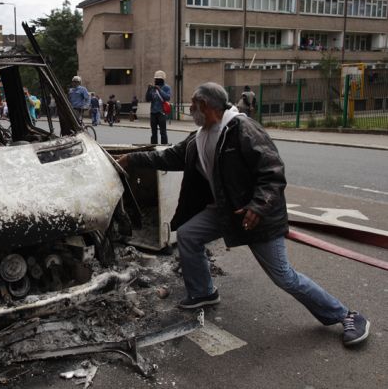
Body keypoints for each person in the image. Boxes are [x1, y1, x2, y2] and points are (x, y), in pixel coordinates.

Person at [116, 82, 370, 347]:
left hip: (257, 218)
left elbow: (272, 173)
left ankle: (347, 315)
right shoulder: (199, 137)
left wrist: (258, 206)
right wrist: (133, 159)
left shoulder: (243, 130)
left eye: (193, 104)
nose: (189, 109)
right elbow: (170, 157)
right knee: (189, 234)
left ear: (205, 106)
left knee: (283, 276)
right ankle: (203, 291)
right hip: (227, 212)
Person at [146, 70, 171, 144]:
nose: (156, 80)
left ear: (162, 80)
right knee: (153, 132)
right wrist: (148, 90)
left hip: (162, 113)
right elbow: (148, 99)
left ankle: (164, 147)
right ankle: (153, 147)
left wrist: (159, 90)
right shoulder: (153, 88)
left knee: (163, 132)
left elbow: (167, 97)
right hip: (153, 112)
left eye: (158, 79)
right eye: (155, 79)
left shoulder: (167, 87)